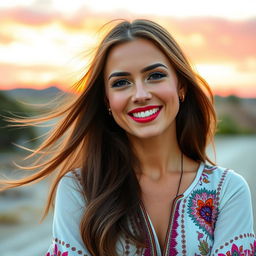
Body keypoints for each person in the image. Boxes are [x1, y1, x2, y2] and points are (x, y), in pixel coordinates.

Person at [0, 18, 255, 256]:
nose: (141, 94)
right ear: (107, 101)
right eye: (121, 82)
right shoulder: (79, 189)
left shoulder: (227, 191)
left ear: (181, 86)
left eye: (155, 76)